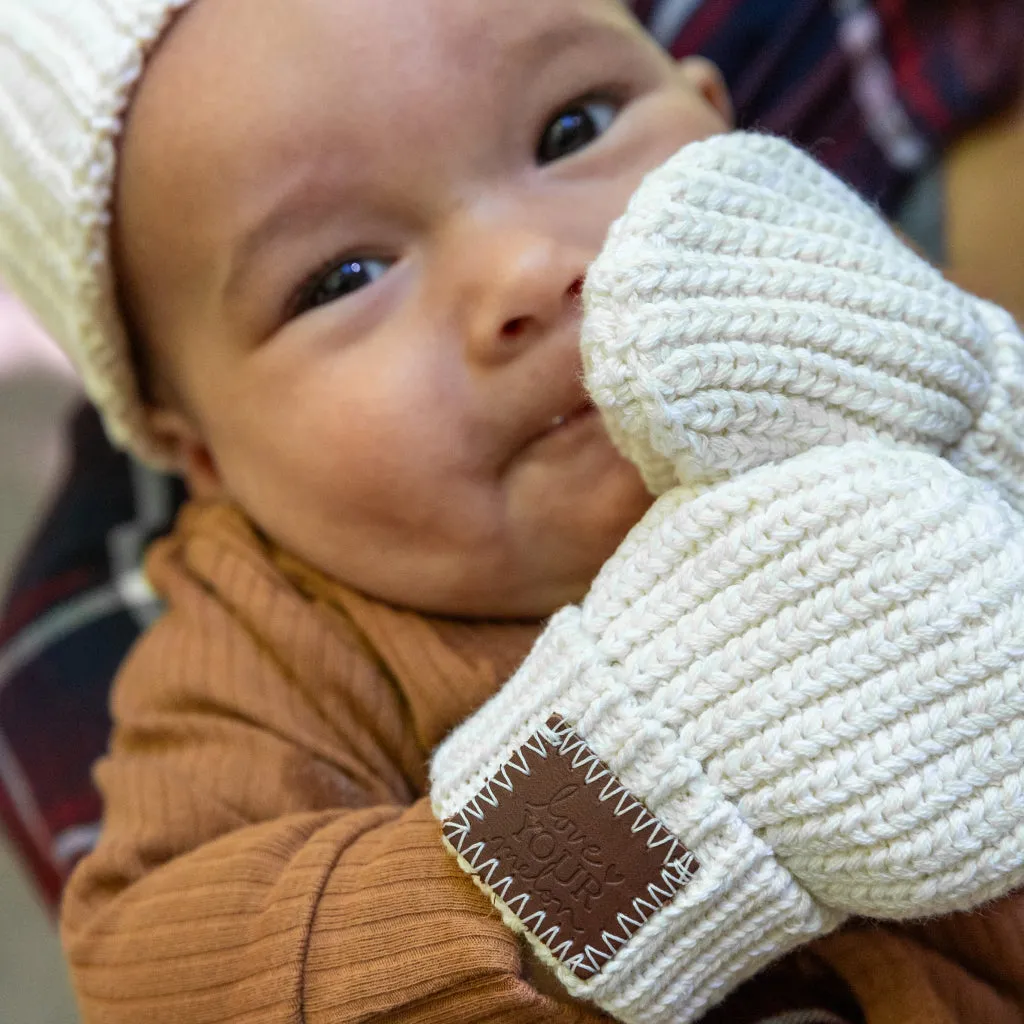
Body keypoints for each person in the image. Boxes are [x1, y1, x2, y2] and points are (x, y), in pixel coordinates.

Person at [2, 1, 1024, 1022]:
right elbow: (174, 982)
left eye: (571, 130)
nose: (528, 270)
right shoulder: (278, 642)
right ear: (205, 457)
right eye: (343, 276)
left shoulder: (879, 329)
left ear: (719, 123)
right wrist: (642, 788)